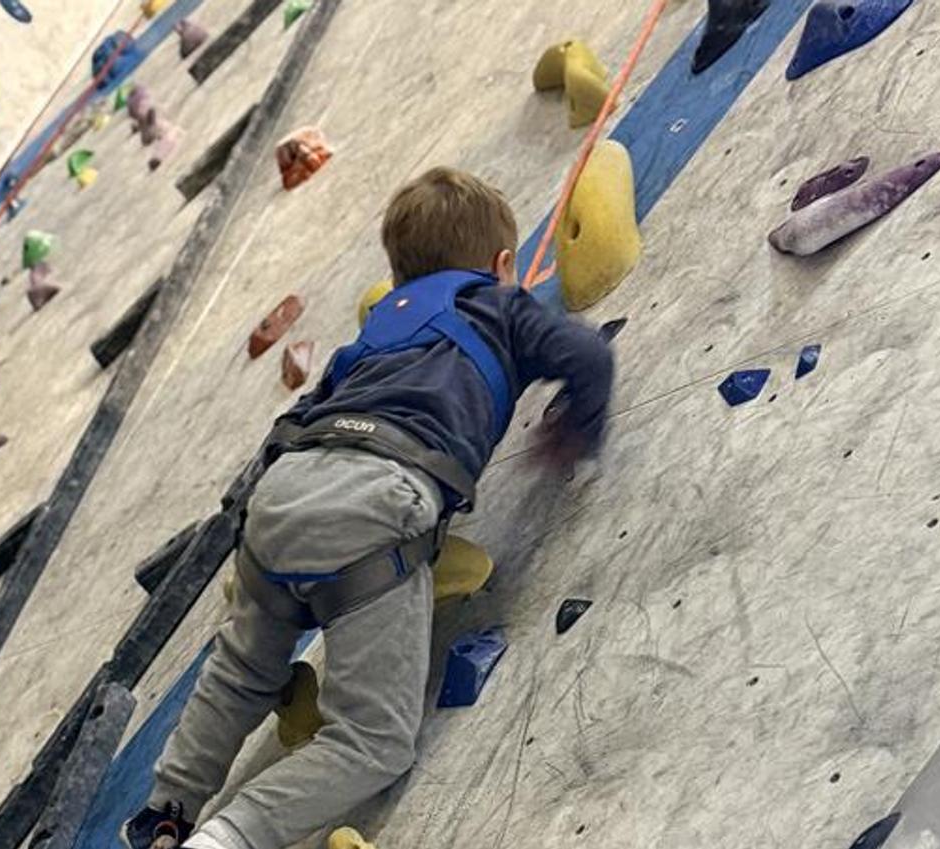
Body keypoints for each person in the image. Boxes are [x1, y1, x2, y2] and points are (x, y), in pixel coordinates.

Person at [123, 167, 616, 849]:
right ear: (504, 265)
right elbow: (587, 354)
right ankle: (228, 839)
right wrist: (577, 428)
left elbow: (302, 413)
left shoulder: (378, 331)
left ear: (399, 277)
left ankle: (166, 808)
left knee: (241, 672)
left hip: (281, 495)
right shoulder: (499, 305)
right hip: (372, 504)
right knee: (374, 742)